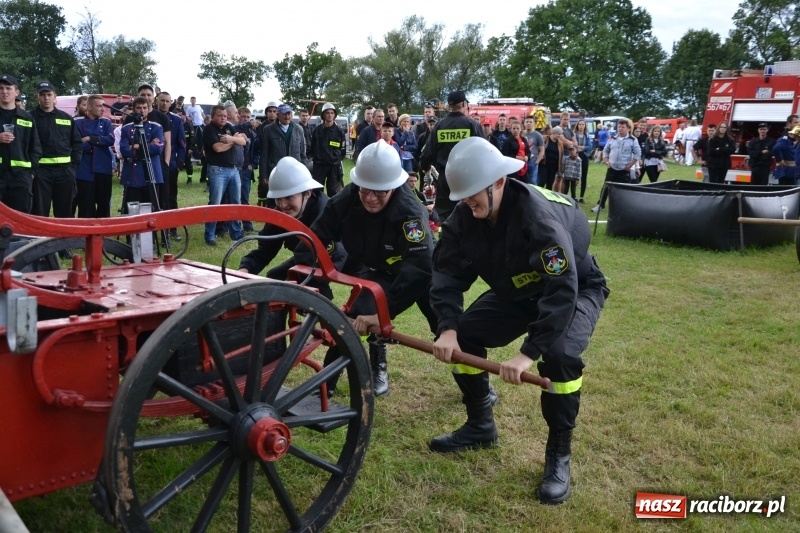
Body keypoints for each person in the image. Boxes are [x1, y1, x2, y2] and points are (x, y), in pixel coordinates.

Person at [428, 136, 608, 506]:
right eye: (461, 195)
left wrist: (527, 354)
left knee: (558, 358)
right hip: (518, 292)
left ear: (498, 182)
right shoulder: (465, 217)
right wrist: (447, 327)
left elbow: (561, 290)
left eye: (473, 193)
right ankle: (480, 426)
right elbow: (445, 275)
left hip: (574, 289)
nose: (466, 202)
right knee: (463, 335)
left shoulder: (537, 220)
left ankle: (558, 456)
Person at [295, 141, 437, 397]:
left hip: (421, 273)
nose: (371, 198)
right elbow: (315, 237)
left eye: (379, 192)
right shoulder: (348, 197)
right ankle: (328, 384)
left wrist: (387, 312)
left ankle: (479, 394)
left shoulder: (410, 214)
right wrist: (318, 283)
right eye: (365, 190)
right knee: (352, 319)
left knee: (446, 327)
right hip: (377, 267)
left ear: (393, 185)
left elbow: (420, 267)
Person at [239, 157, 344, 299]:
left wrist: (295, 283)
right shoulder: (279, 212)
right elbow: (265, 250)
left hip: (339, 258)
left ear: (307, 193)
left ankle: (324, 315)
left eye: (289, 197)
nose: (282, 205)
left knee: (301, 283)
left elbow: (331, 260)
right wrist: (244, 270)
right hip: (307, 258)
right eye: (278, 198)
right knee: (275, 277)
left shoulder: (324, 213)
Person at [419, 90, 483, 221]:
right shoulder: (472, 125)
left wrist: (425, 167)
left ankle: (447, 239)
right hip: (468, 177)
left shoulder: (440, 126)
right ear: (464, 104)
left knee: (445, 216)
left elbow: (427, 154)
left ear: (449, 106)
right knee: (468, 211)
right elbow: (485, 152)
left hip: (445, 178)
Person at [31, 80, 81, 218]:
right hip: (41, 172)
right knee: (39, 212)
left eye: (49, 94)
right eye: (42, 95)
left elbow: (76, 143)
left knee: (65, 212)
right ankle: (40, 239)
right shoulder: (30, 118)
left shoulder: (66, 118)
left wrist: (73, 167)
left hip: (65, 172)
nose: (46, 98)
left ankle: (65, 239)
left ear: (55, 96)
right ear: (37, 96)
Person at [203, 105, 246, 245]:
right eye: (220, 115)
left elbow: (243, 141)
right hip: (217, 170)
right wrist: (234, 141)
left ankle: (236, 233)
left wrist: (231, 139)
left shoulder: (229, 127)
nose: (223, 118)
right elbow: (218, 148)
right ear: (213, 116)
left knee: (236, 202)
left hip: (233, 169)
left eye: (225, 116)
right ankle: (210, 234)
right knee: (215, 203)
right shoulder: (209, 129)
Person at [0, 74, 41, 213]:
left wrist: (31, 174)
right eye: (0, 88)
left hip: (20, 178)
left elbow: (35, 148)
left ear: (16, 92)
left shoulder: (27, 118)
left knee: (21, 220)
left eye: (8, 88)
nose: (4, 91)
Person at [119, 97, 165, 214]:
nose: (142, 110)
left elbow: (158, 149)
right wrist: (148, 145)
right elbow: (124, 150)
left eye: (145, 108)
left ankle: (151, 233)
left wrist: (134, 146)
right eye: (139, 108)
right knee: (132, 211)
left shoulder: (157, 127)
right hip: (132, 174)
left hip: (152, 173)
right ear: (134, 110)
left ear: (149, 109)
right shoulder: (126, 128)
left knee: (151, 211)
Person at [75, 95, 114, 217]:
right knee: (86, 206)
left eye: (104, 105)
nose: (103, 109)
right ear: (89, 107)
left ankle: (103, 232)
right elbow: (77, 145)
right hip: (84, 170)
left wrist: (89, 138)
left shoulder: (106, 122)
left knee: (104, 205)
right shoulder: (78, 122)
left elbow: (111, 140)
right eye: (99, 105)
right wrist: (96, 143)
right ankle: (86, 234)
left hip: (103, 169)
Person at [258, 103, 306, 203]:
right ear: (278, 115)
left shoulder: (299, 129)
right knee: (275, 201)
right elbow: (264, 154)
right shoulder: (268, 129)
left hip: (294, 173)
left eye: (289, 114)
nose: (287, 116)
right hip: (276, 172)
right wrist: (264, 175)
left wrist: (303, 172)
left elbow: (302, 154)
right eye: (284, 114)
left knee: (293, 199)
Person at [592, 118, 640, 213]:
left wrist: (630, 165)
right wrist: (606, 160)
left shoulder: (633, 140)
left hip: (624, 169)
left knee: (623, 189)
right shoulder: (612, 138)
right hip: (612, 167)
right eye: (619, 126)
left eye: (623, 127)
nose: (620, 128)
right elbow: (605, 150)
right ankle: (600, 205)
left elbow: (638, 154)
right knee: (606, 187)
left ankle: (622, 207)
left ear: (628, 129)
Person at [309, 102, 346, 197]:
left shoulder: (339, 131)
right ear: (323, 115)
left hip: (334, 167)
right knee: (317, 192)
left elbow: (342, 149)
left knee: (333, 192)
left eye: (332, 113)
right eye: (327, 113)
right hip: (319, 166)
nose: (330, 115)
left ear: (334, 115)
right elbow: (312, 148)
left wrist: (336, 159)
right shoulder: (317, 130)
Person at [572, 119, 591, 201]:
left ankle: (581, 197)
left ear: (585, 126)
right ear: (577, 125)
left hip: (584, 156)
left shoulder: (587, 136)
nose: (581, 126)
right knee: (574, 176)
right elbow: (573, 145)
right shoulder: (574, 135)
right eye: (580, 124)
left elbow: (589, 147)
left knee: (584, 176)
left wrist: (580, 147)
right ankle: (574, 196)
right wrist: (581, 148)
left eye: (583, 124)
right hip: (576, 156)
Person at [543, 126, 564, 191]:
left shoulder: (560, 143)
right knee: (541, 182)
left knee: (550, 183)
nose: (559, 135)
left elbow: (561, 155)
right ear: (553, 133)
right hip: (544, 164)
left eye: (560, 134)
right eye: (558, 134)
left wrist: (560, 169)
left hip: (554, 166)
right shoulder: (545, 139)